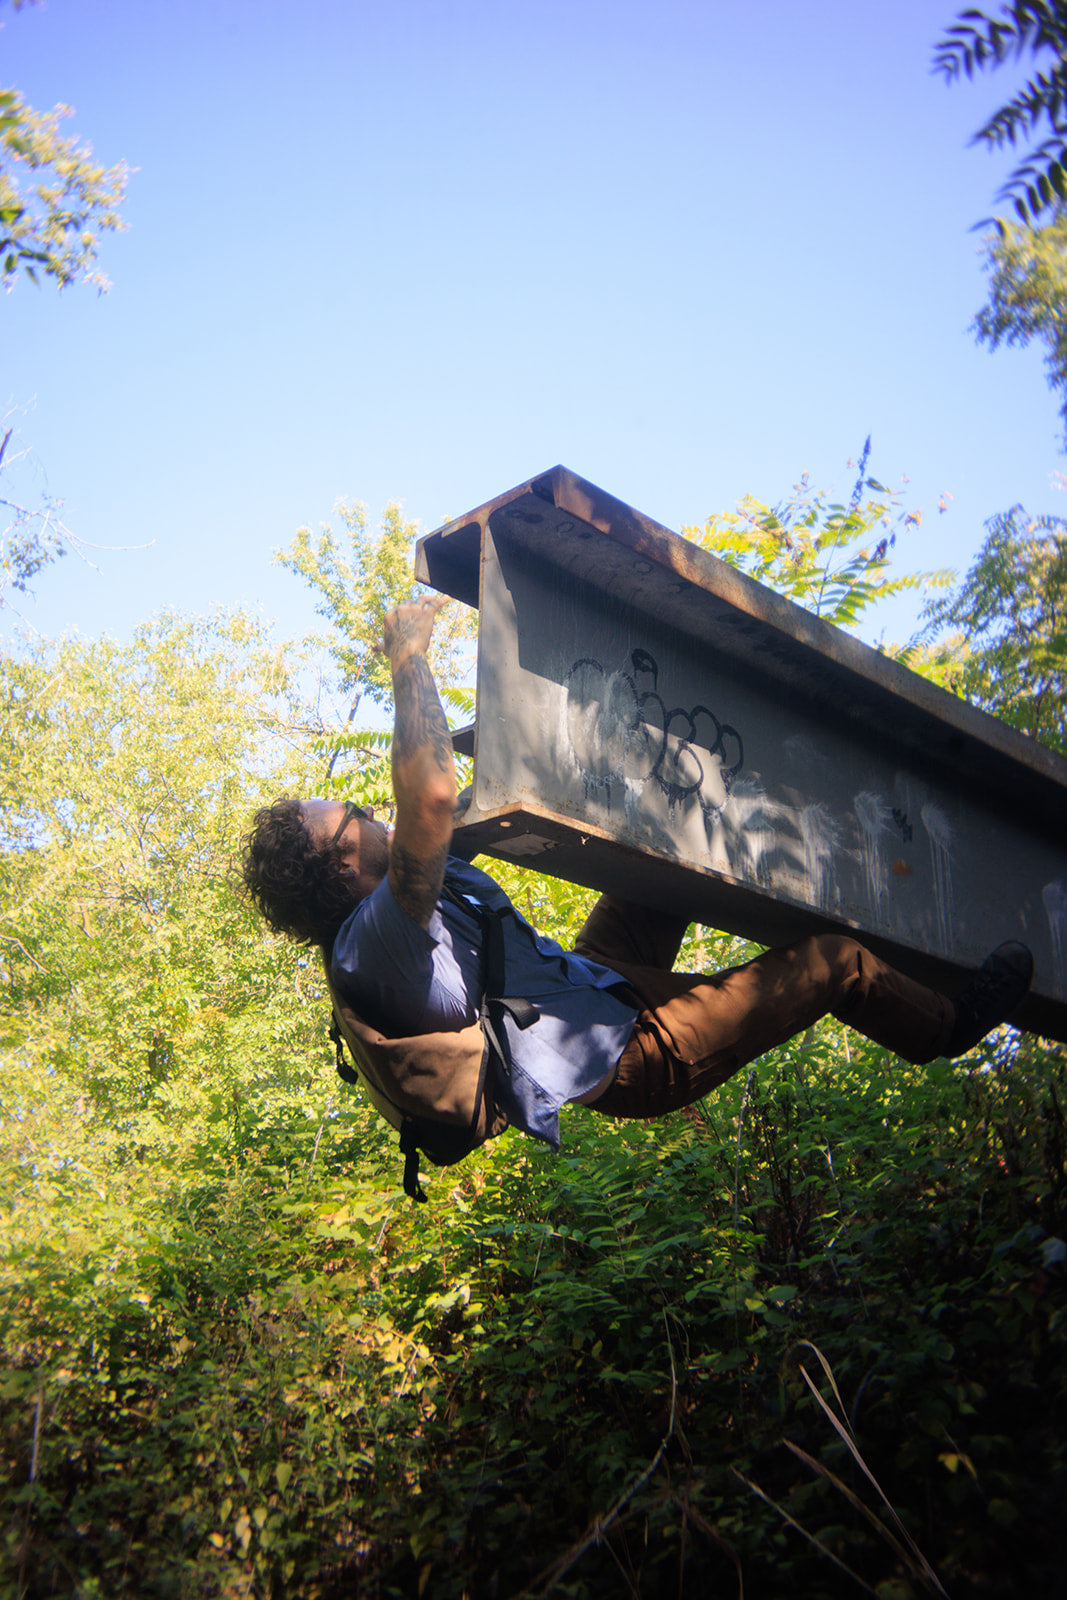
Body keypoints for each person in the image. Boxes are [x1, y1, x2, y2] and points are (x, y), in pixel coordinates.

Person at [242, 595, 1034, 1153]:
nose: (371, 812)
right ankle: (944, 1029)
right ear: (344, 861)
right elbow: (432, 795)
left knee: (650, 866)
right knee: (834, 964)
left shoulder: (413, 899)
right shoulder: (374, 937)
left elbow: (473, 794)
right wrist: (409, 658)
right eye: (354, 812)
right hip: (628, 1054)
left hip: (590, 983)